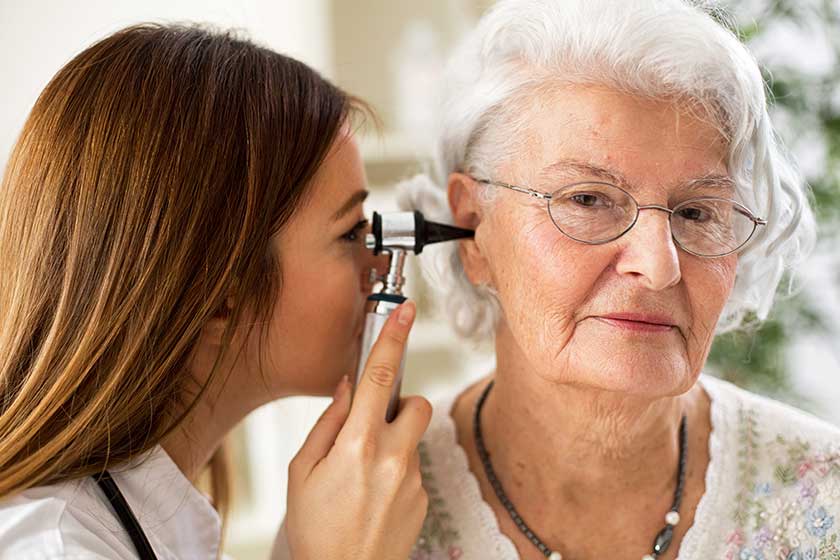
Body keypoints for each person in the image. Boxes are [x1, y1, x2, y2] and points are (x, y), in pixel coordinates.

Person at [397, 1, 839, 559]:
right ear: (473, 228)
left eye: (698, 213)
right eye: (587, 199)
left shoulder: (825, 496)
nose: (658, 266)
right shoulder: (371, 511)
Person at [0, 24, 430, 560]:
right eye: (349, 234)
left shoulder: (153, 523)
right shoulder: (54, 549)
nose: (382, 260)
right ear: (218, 293)